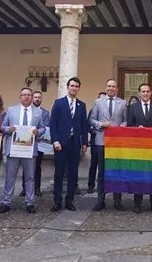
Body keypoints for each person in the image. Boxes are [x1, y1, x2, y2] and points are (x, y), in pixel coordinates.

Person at [0, 87, 44, 214]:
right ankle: (6, 202)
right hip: (14, 148)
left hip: (29, 149)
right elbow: (3, 126)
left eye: (29, 95)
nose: (26, 97)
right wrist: (9, 129)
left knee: (30, 177)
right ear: (20, 97)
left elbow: (43, 128)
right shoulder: (11, 110)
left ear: (31, 97)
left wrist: (38, 131)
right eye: (24, 95)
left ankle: (30, 202)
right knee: (10, 176)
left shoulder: (38, 112)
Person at [50, 77, 88, 212]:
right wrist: (55, 141)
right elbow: (53, 123)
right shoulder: (59, 103)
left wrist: (85, 142)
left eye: (76, 86)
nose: (74, 88)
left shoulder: (81, 105)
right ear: (67, 87)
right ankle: (57, 201)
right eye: (72, 86)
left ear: (79, 88)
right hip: (60, 143)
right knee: (59, 173)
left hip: (75, 143)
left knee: (73, 174)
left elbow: (84, 125)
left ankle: (69, 200)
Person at [127, 83, 152, 213]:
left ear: (151, 93)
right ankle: (137, 204)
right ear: (139, 93)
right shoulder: (133, 107)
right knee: (139, 175)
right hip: (139, 147)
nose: (145, 93)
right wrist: (136, 129)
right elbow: (129, 125)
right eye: (143, 91)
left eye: (147, 91)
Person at [90, 79, 128, 211]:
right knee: (101, 172)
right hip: (101, 141)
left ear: (117, 89)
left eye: (113, 86)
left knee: (117, 171)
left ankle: (117, 201)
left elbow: (126, 120)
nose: (111, 88)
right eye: (109, 86)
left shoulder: (123, 103)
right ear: (106, 87)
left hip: (117, 143)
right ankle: (101, 200)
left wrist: (122, 126)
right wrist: (100, 124)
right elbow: (91, 119)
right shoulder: (97, 102)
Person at [87, 91, 107, 194]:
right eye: (100, 98)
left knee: (104, 167)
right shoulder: (93, 110)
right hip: (95, 141)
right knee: (94, 164)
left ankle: (104, 186)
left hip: (107, 141)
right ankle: (91, 185)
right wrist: (94, 132)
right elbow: (88, 124)